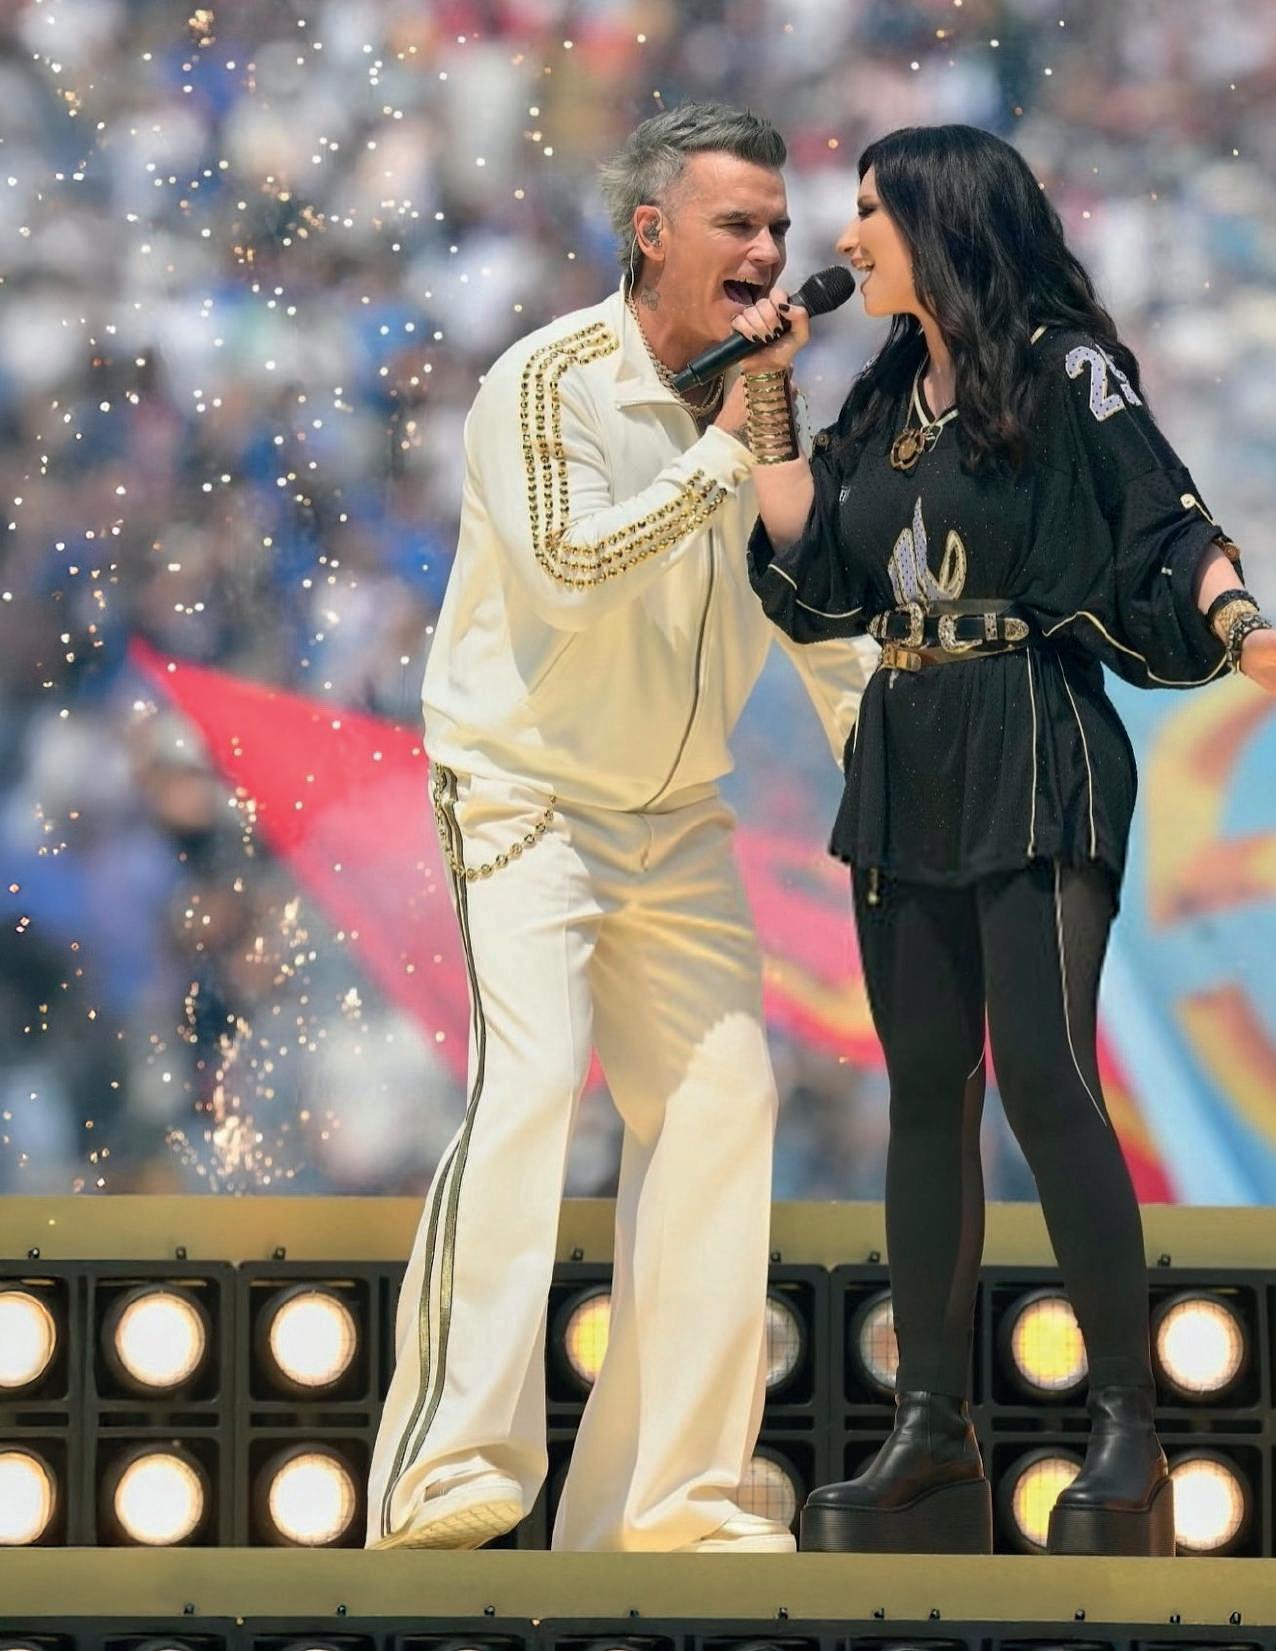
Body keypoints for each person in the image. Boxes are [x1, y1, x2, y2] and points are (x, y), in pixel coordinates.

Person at [724, 123, 1276, 1558]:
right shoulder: (888, 388)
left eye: (867, 209)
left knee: (1042, 1071)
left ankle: (1129, 1433)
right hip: (908, 746)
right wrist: (768, 393)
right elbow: (819, 567)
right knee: (924, 1088)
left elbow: (1165, 519)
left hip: (1033, 734)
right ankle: (933, 1434)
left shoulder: (1061, 364)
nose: (843, 237)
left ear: (939, 218)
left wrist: (1240, 623)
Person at [366, 103, 877, 1556]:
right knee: (532, 1089)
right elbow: (571, 573)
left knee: (724, 1112)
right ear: (650, 233)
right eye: (738, 225)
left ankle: (669, 1504)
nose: (769, 251)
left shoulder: (764, 408)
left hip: (679, 817)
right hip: (524, 797)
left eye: (777, 227)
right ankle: (444, 1469)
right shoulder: (546, 380)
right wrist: (721, 447)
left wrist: (886, 761)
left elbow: (812, 604)